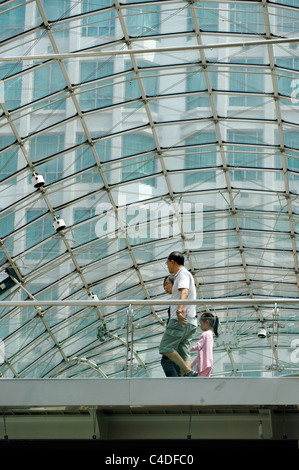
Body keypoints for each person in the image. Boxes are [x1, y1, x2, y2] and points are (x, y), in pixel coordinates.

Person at [159, 251, 198, 377]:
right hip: (191, 321)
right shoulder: (186, 275)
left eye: (167, 263)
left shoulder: (182, 274)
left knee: (165, 348)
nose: (167, 266)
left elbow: (184, 293)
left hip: (180, 320)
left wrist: (179, 311)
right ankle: (187, 377)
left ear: (172, 262)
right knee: (183, 350)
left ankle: (187, 371)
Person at [160, 275, 181, 377]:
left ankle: (176, 384)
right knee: (173, 360)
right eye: (164, 285)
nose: (165, 287)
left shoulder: (179, 299)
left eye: (167, 284)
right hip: (175, 332)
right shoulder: (175, 300)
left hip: (175, 332)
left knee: (166, 360)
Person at [190, 313, 219, 377]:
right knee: (205, 382)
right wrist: (192, 364)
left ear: (207, 322)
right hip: (208, 363)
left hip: (203, 364)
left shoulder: (205, 334)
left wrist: (187, 349)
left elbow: (198, 346)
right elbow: (201, 352)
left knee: (199, 382)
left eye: (201, 324)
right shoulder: (210, 334)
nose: (200, 326)